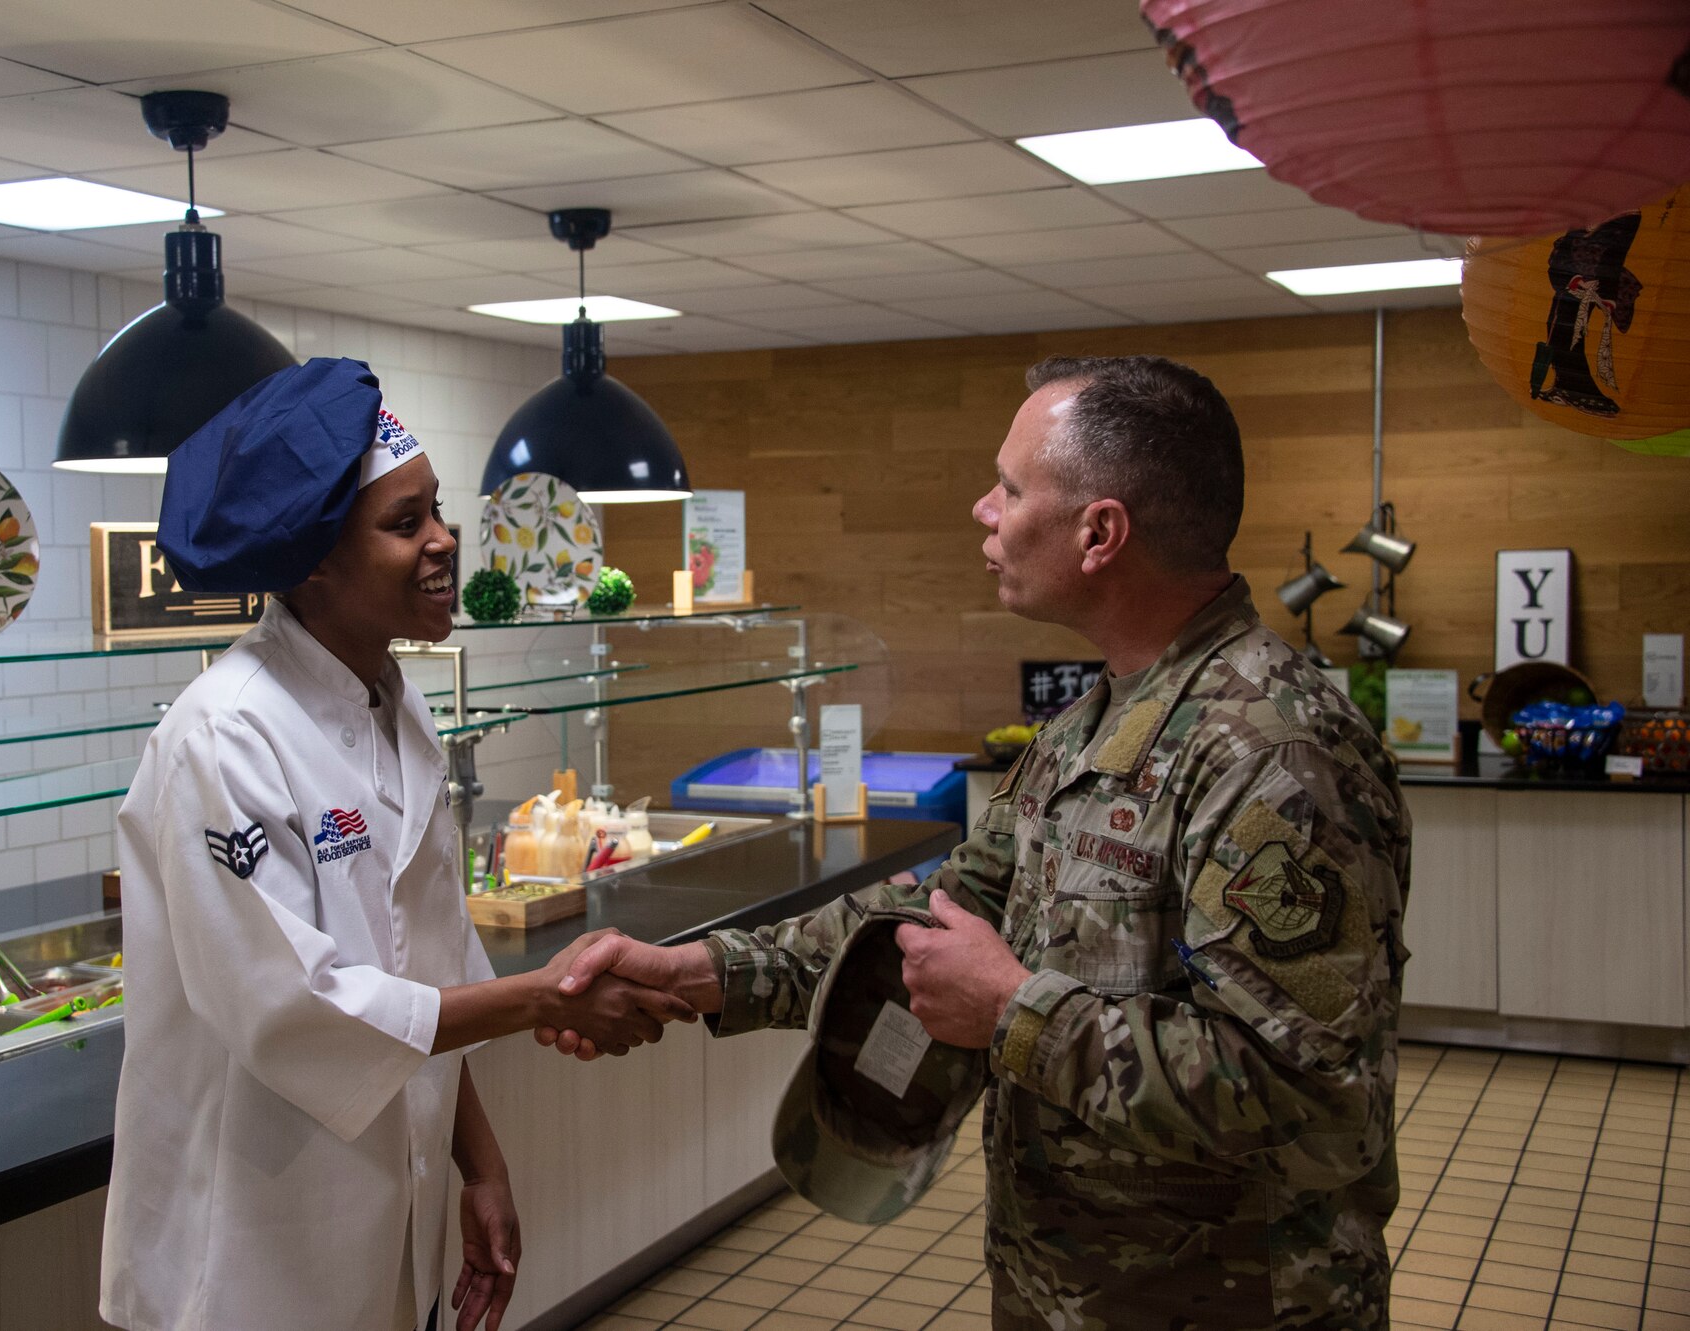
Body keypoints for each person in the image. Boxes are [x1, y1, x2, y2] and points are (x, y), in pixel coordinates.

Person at [548, 355, 1413, 1330]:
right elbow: (932, 918)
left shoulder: (1274, 752)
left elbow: (1305, 1095)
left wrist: (1010, 1007)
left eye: (1008, 487)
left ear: (1099, 532)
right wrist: (697, 970)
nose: (981, 510)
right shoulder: (1083, 732)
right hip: (1065, 1292)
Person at [100, 358, 693, 1331]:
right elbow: (294, 1004)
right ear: (311, 560)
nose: (443, 542)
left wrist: (482, 1165)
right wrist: (543, 994)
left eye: (437, 512)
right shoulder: (227, 734)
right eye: (403, 522)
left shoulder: (398, 704)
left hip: (389, 1219)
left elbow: (425, 964)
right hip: (252, 1246)